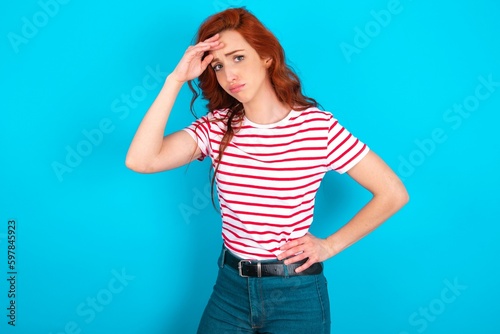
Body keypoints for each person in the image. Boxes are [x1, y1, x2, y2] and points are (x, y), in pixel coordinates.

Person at [125, 7, 409, 334]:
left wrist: (329, 246)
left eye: (238, 57)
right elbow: (141, 160)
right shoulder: (217, 128)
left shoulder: (317, 128)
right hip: (230, 289)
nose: (229, 74)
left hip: (296, 295)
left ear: (266, 58)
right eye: (218, 65)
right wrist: (174, 81)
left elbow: (393, 192)